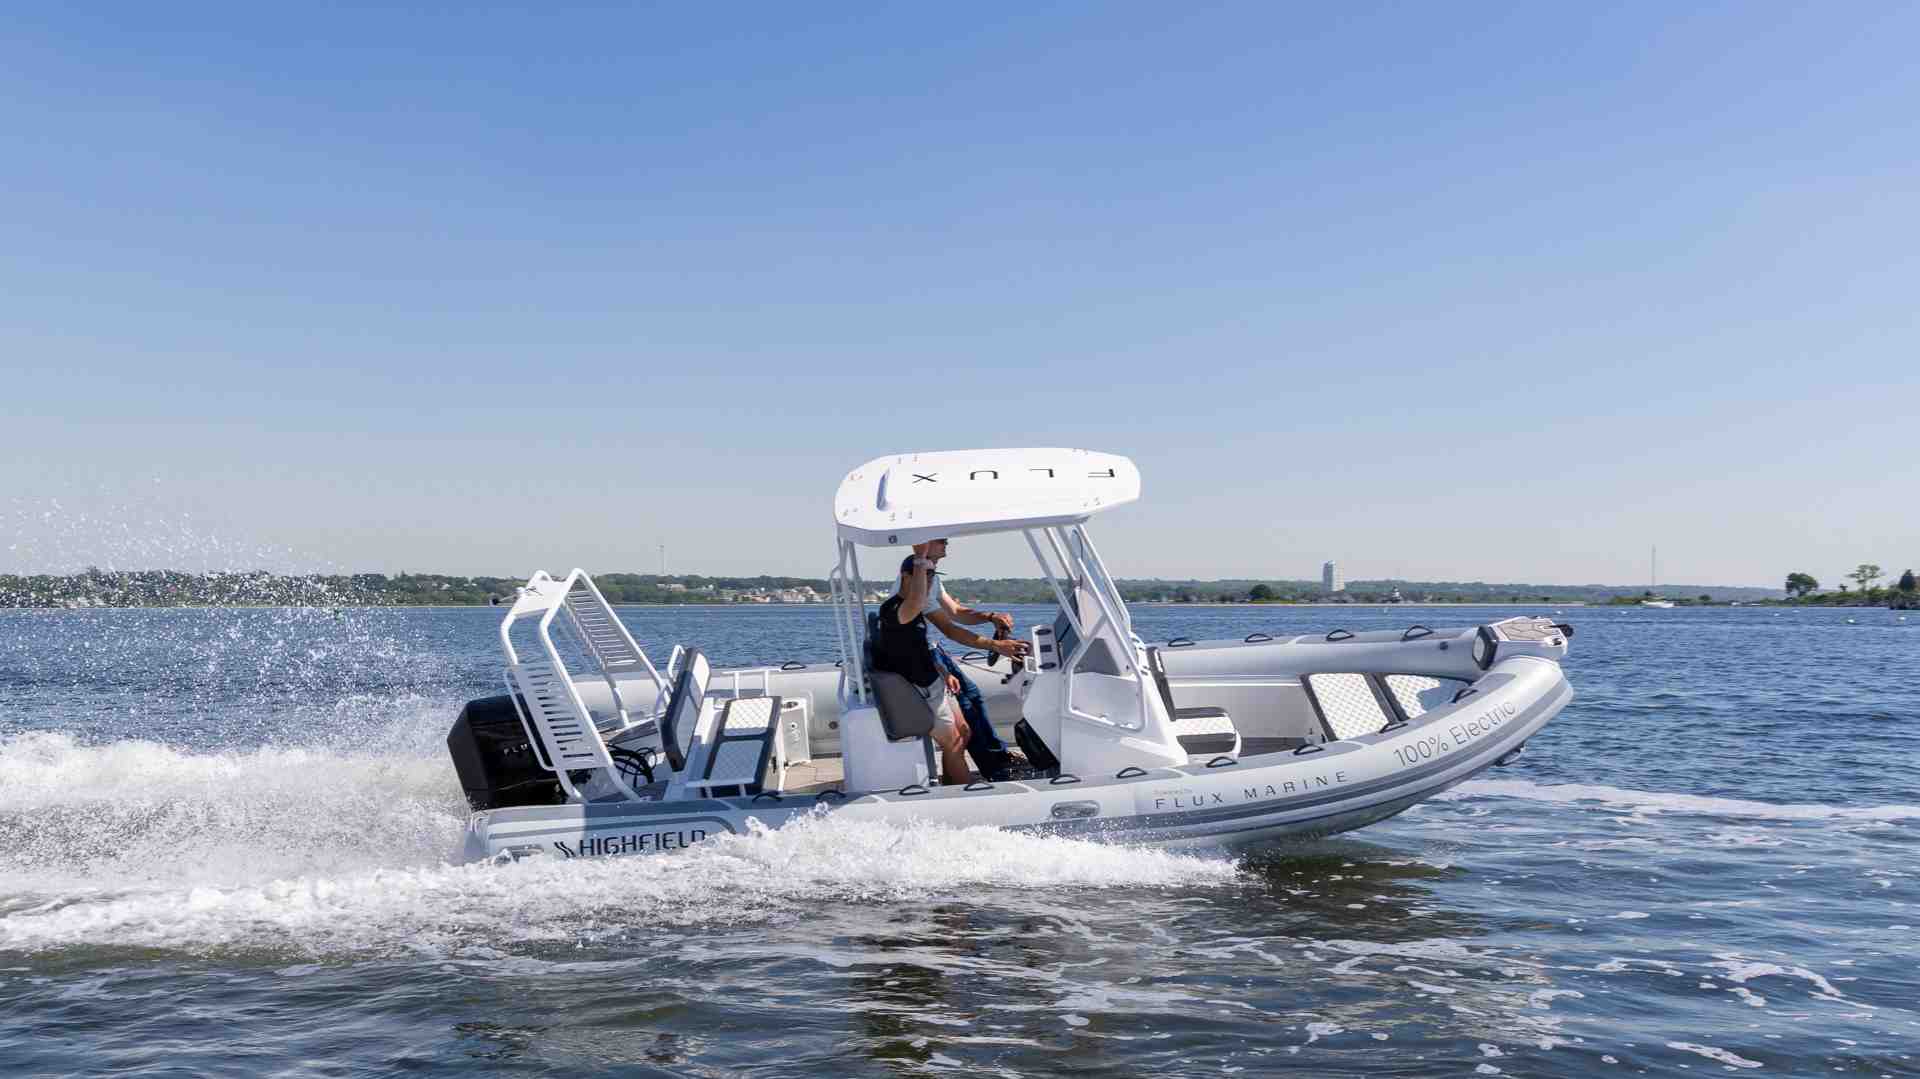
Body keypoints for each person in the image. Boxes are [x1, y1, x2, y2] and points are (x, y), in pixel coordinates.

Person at [879, 541, 1027, 783]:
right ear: (909, 576)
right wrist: (995, 645)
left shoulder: (925, 586)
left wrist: (943, 671)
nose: (928, 582)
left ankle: (958, 781)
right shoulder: (905, 603)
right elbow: (949, 627)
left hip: (931, 667)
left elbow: (951, 616)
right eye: (924, 577)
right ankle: (976, 778)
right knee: (956, 739)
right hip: (921, 680)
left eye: (930, 576)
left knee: (967, 723)